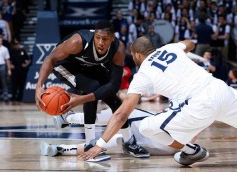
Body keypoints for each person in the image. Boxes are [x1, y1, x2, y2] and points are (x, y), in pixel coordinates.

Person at [79, 37, 237, 166]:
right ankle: (191, 148)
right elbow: (189, 43)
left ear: (136, 54)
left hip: (197, 105)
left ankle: (191, 150)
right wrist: (187, 46)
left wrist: (100, 145)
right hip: (221, 90)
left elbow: (121, 114)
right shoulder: (170, 48)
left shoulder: (143, 73)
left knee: (147, 127)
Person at [35, 20, 149, 159]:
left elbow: (114, 85)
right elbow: (50, 59)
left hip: (88, 65)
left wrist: (83, 99)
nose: (101, 42)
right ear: (94, 35)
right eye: (98, 38)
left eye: (105, 39)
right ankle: (90, 144)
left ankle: (128, 141)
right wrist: (39, 86)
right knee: (92, 88)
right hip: (65, 65)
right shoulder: (77, 42)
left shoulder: (118, 49)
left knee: (114, 99)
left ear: (113, 38)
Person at [40, 107, 182, 159]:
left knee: (117, 114)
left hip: (153, 129)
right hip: (160, 145)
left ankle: (68, 118)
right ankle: (61, 149)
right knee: (113, 141)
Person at [10, 38, 31, 103]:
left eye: (17, 44)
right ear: (13, 45)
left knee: (21, 85)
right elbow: (8, 59)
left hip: (22, 70)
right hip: (14, 70)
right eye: (15, 44)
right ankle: (13, 97)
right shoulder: (11, 51)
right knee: (14, 85)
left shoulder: (22, 51)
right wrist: (10, 65)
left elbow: (29, 59)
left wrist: (26, 64)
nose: (16, 45)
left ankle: (20, 97)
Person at [0, 33, 11, 102]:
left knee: (4, 81)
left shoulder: (5, 49)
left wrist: (9, 69)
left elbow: (7, 60)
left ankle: (6, 96)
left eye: (0, 39)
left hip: (2, 65)